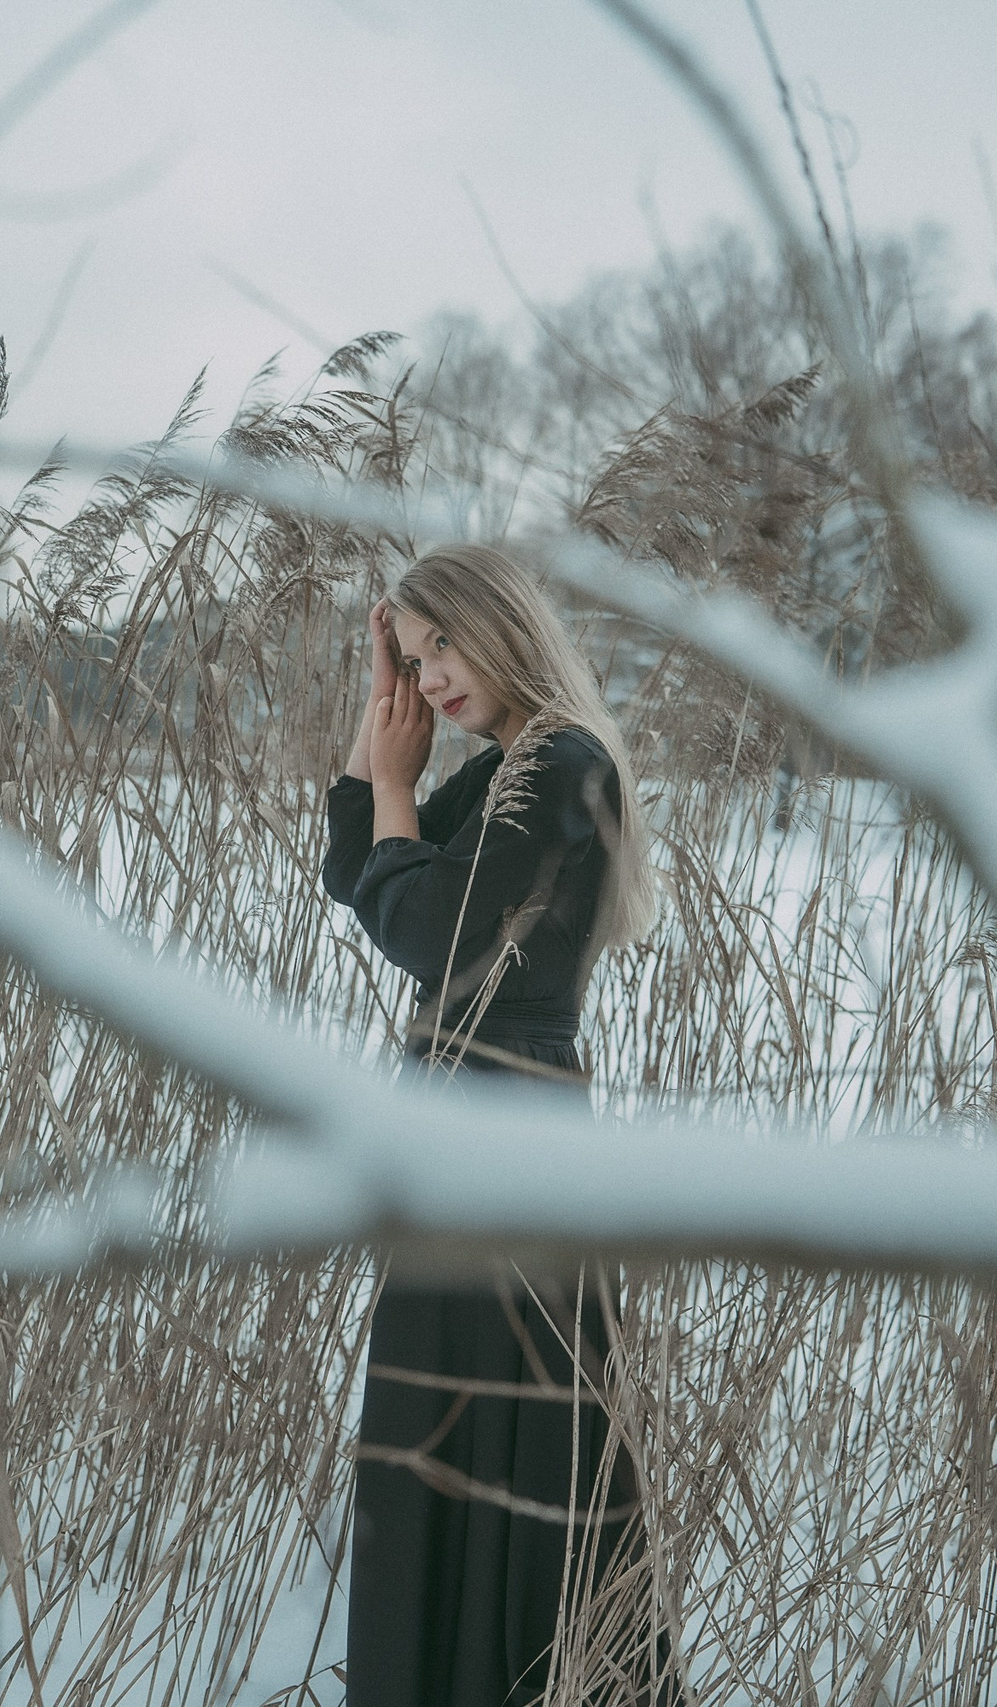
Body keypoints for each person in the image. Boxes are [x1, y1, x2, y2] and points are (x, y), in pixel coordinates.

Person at [320, 543, 661, 1707]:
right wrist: (381, 729)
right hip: (468, 1126)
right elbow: (351, 869)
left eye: (441, 647)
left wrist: (402, 790)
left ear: (498, 621)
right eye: (414, 660)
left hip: (510, 1128)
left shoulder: (561, 760)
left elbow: (432, 934)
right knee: (444, 1431)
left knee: (501, 1431)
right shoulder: (509, 758)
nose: (431, 678)